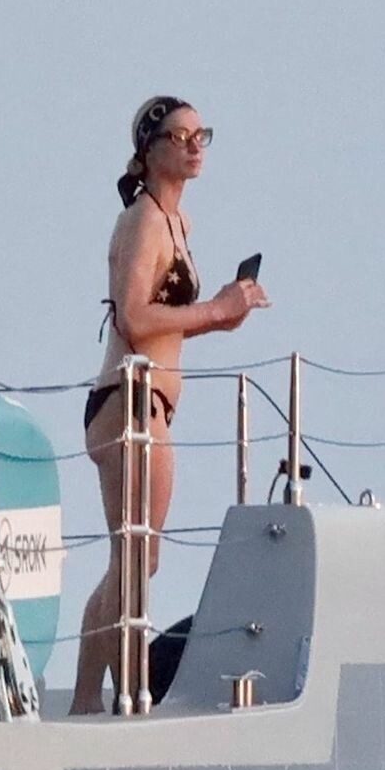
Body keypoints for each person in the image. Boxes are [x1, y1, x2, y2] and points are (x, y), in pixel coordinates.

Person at [69, 96, 268, 714]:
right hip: (131, 400)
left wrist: (223, 315)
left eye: (200, 134)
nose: (194, 145)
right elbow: (133, 318)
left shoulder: (178, 224)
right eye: (180, 136)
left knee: (137, 557)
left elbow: (169, 326)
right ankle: (113, 695)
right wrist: (214, 310)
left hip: (149, 401)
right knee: (136, 555)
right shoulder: (144, 222)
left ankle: (93, 696)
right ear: (149, 151)